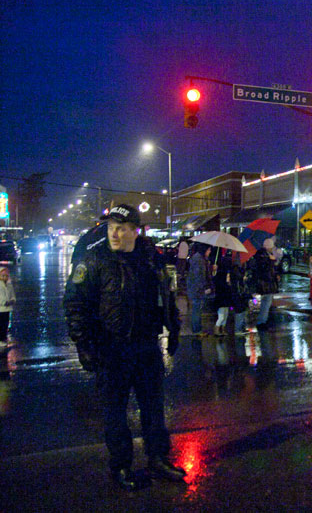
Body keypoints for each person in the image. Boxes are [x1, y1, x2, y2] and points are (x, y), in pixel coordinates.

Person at [63, 204, 185, 491]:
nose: (114, 234)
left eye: (120, 228)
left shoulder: (150, 259)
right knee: (115, 413)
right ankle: (120, 465)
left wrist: (174, 329)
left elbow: (166, 295)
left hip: (146, 349)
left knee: (154, 409)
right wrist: (84, 344)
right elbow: (75, 304)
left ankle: (157, 458)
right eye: (110, 227)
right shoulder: (94, 260)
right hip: (112, 351)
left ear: (134, 230)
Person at [247, 243, 280, 328]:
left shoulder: (265, 255)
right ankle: (262, 322)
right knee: (266, 302)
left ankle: (263, 320)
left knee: (266, 303)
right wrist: (271, 261)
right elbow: (265, 270)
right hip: (265, 284)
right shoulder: (263, 256)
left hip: (267, 284)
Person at [187, 243, 213, 335]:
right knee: (196, 309)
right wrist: (204, 288)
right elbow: (199, 277)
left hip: (196, 289)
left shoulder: (200, 259)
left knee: (197, 308)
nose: (210, 252)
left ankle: (197, 328)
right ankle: (197, 330)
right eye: (209, 250)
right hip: (197, 290)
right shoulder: (199, 260)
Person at [212, 253, 233, 336]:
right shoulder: (222, 274)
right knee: (222, 316)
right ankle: (217, 329)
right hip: (223, 297)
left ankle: (222, 329)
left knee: (224, 315)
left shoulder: (220, 274)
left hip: (222, 298)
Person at [230, 262, 250, 335]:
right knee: (240, 311)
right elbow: (237, 280)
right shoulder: (235, 270)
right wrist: (242, 278)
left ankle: (241, 327)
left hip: (241, 294)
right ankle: (238, 329)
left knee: (243, 310)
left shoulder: (241, 268)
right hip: (238, 294)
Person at [0, 266, 15, 350]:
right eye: (3, 275)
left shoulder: (9, 285)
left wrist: (13, 300)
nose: (5, 277)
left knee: (5, 324)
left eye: (6, 275)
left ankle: (3, 338)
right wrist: (3, 302)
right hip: (1, 309)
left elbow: (12, 295)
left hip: (7, 309)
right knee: (1, 324)